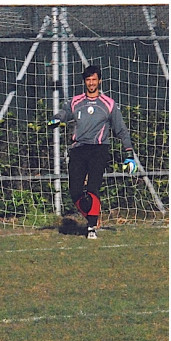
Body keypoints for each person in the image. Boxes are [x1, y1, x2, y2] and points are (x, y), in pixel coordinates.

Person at [48, 64, 136, 239]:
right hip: (79, 149)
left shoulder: (108, 104)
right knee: (75, 191)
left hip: (99, 149)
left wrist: (129, 154)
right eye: (88, 80)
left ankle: (91, 228)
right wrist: (56, 119)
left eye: (94, 79)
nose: (91, 83)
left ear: (100, 81)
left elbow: (121, 130)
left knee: (93, 187)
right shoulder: (76, 101)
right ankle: (92, 217)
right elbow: (65, 112)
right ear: (84, 82)